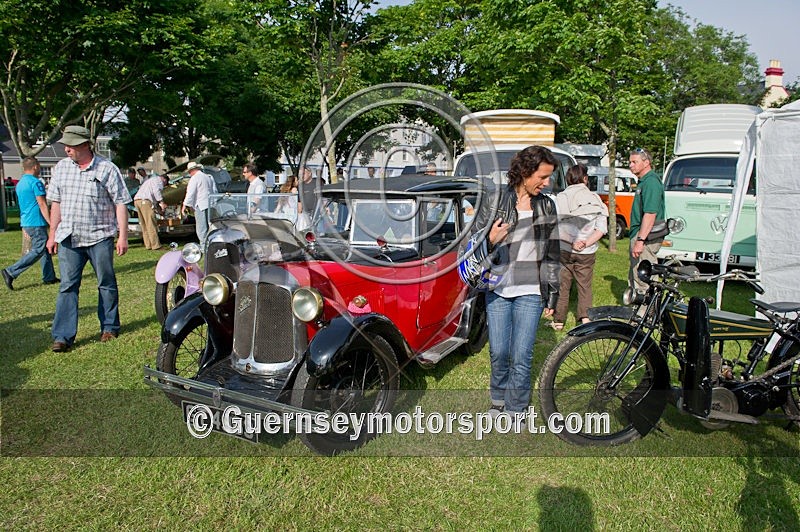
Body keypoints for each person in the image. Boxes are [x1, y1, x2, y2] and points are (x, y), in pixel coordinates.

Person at [472, 145, 561, 420]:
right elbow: (472, 245)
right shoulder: (494, 200)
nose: (547, 183)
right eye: (543, 177)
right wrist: (490, 241)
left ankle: (516, 408)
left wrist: (553, 293)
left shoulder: (547, 205)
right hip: (498, 288)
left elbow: (552, 252)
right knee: (499, 352)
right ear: (525, 171)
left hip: (531, 291)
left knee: (522, 356)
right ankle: (498, 400)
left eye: (549, 177)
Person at [45, 125, 131, 352]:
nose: (66, 149)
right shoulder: (61, 168)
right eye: (65, 145)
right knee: (67, 286)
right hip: (69, 237)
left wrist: (122, 236)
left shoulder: (107, 169)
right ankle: (62, 336)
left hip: (99, 237)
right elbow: (56, 203)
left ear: (85, 145)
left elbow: (120, 203)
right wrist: (52, 235)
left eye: (71, 145)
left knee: (106, 283)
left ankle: (109, 327)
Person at [551, 164, 608, 330]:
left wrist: (572, 242)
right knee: (585, 286)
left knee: (563, 285)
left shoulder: (560, 198)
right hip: (587, 251)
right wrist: (585, 243)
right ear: (585, 178)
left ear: (568, 179)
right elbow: (601, 229)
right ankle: (585, 319)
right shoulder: (596, 199)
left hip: (565, 249)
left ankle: (559, 320)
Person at [2, 157, 58, 290]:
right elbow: (42, 203)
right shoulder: (36, 183)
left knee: (44, 249)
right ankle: (11, 271)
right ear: (35, 166)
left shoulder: (20, 183)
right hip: (36, 221)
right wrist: (51, 222)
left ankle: (49, 276)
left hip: (26, 220)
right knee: (39, 249)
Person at [627, 147, 665, 300]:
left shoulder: (651, 182)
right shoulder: (644, 182)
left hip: (646, 236)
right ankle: (637, 306)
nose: (631, 165)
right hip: (640, 234)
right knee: (635, 273)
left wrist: (640, 240)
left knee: (643, 275)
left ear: (646, 162)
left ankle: (647, 309)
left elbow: (650, 214)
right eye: (630, 162)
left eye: (634, 162)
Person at [181, 161, 217, 247]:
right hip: (210, 204)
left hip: (200, 205)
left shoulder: (195, 178)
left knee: (201, 229)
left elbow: (190, 193)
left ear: (191, 170)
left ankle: (204, 246)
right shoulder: (208, 177)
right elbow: (214, 190)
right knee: (210, 227)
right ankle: (210, 245)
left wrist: (185, 205)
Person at [133, 173, 168, 250]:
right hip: (145, 201)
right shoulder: (158, 181)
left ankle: (148, 245)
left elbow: (154, 201)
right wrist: (162, 202)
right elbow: (156, 192)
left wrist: (159, 211)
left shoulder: (150, 181)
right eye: (165, 184)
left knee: (144, 224)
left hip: (137, 201)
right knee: (151, 224)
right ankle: (156, 246)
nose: (163, 186)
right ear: (164, 180)